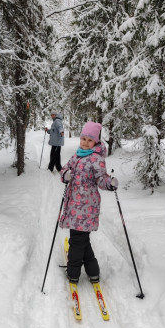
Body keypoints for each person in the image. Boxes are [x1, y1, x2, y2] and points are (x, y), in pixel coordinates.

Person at [59, 121, 118, 283]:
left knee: (77, 241)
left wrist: (110, 184)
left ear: (96, 142)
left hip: (87, 208)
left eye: (89, 140)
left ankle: (73, 273)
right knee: (82, 240)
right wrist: (66, 175)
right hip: (73, 206)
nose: (85, 142)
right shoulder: (76, 155)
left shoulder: (96, 159)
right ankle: (93, 272)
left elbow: (101, 179)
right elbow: (64, 169)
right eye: (83, 138)